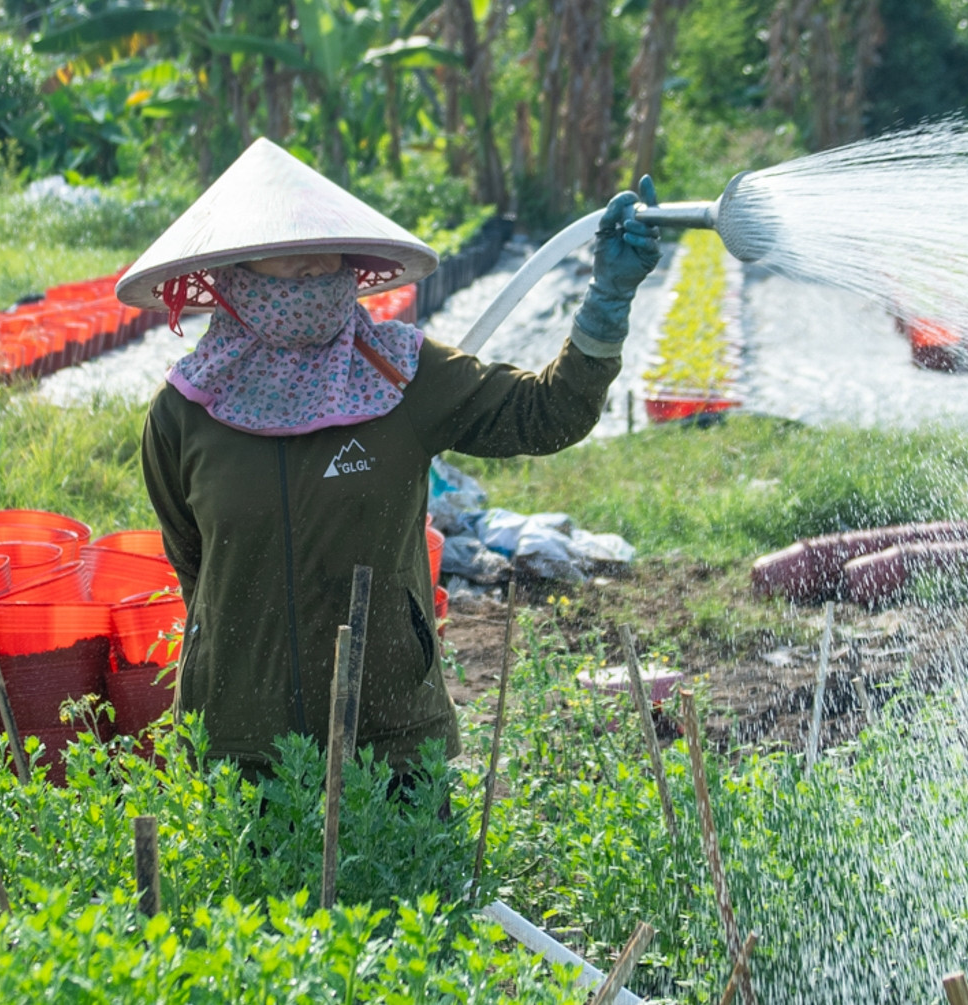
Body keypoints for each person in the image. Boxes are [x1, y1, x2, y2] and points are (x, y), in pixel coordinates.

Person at [118, 138, 661, 776]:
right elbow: (193, 560)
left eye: (324, 250)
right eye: (286, 252)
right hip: (241, 740)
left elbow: (549, 414)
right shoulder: (186, 409)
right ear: (234, 271)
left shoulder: (403, 372)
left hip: (392, 735)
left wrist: (607, 301)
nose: (313, 266)